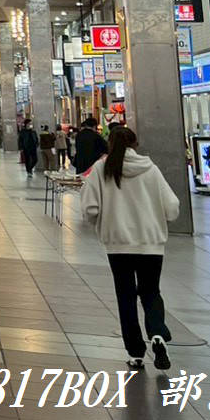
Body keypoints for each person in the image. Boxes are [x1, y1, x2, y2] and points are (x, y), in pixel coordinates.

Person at [81, 126, 179, 370]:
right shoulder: (150, 169)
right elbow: (172, 207)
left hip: (118, 246)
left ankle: (135, 352)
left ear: (110, 144)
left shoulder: (102, 169)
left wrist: (103, 223)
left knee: (125, 297)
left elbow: (90, 209)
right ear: (135, 144)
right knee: (151, 291)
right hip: (151, 245)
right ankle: (157, 334)